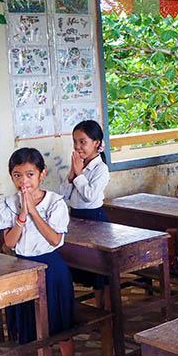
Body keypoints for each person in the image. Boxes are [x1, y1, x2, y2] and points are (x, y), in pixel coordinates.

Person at [0, 148, 80, 356]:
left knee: (59, 323)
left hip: (52, 269)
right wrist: (22, 215)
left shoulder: (55, 203)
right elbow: (8, 244)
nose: (24, 181)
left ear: (41, 174)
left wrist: (33, 211)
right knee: (37, 326)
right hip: (22, 268)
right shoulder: (8, 205)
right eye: (17, 175)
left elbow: (55, 239)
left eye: (30, 174)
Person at [61, 120, 111, 308]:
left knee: (99, 269)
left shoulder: (101, 169)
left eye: (83, 142)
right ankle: (88, 306)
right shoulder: (78, 165)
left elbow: (90, 196)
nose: (78, 146)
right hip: (76, 217)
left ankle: (104, 308)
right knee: (80, 263)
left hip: (94, 220)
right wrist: (72, 176)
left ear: (96, 143)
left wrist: (79, 173)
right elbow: (63, 195)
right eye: (75, 142)